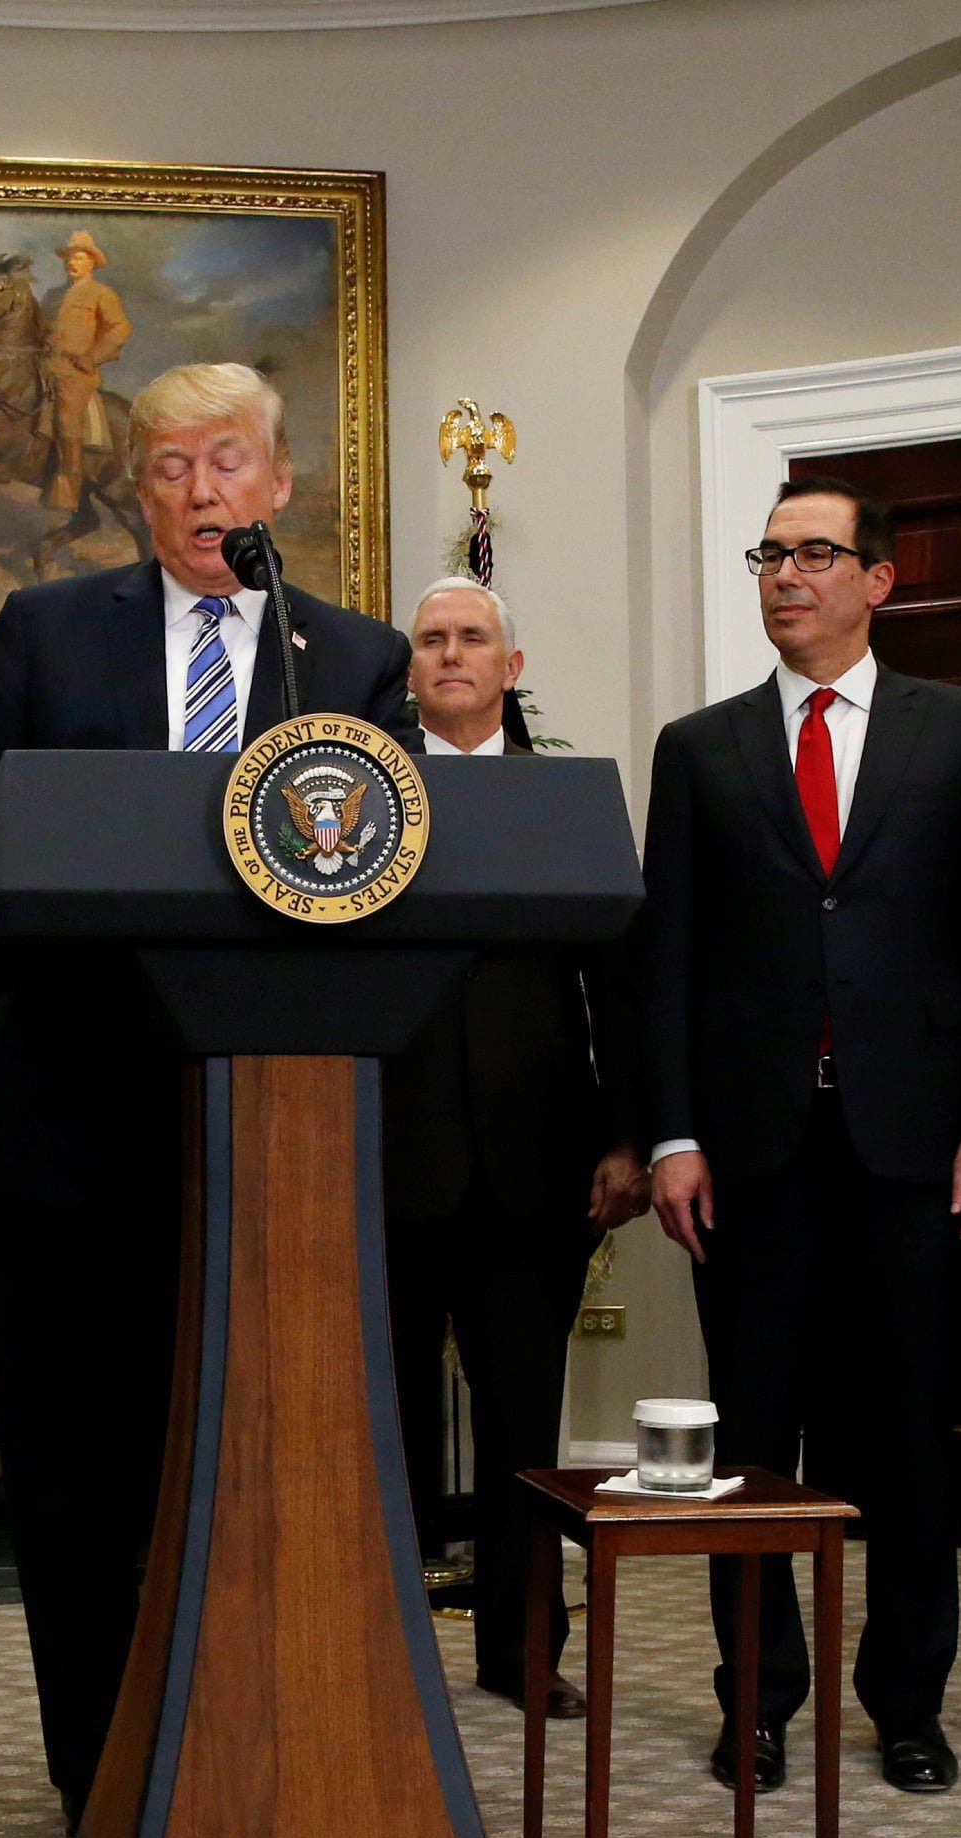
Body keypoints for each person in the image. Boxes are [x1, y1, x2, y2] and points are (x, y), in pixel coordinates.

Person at [0, 361, 412, 1825]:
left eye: (225, 463)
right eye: (166, 470)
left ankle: (270, 1749)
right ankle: (103, 1776)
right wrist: (47, 890)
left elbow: (388, 858)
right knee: (78, 1472)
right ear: (134, 493)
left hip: (281, 1125)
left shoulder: (354, 659)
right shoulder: (49, 631)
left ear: (279, 484)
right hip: (72, 1110)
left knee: (279, 1459)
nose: (200, 494)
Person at [639, 478, 961, 1795]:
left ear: (880, 578)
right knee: (751, 1448)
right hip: (749, 1155)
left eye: (816, 553)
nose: (787, 574)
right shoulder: (699, 749)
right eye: (771, 553)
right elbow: (669, 962)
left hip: (915, 1149)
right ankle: (757, 1697)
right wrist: (673, 1134)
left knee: (910, 1439)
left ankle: (907, 1701)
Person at [385, 575, 643, 1719]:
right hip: (383, 1168)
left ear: (510, 665)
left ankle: (520, 1653)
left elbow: (619, 984)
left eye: (471, 639)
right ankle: (381, 1660)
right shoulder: (357, 797)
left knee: (521, 1434)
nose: (450, 655)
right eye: (431, 640)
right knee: (377, 1427)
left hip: (535, 1169)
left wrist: (629, 1135)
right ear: (409, 672)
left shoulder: (566, 801)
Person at [41, 230, 130, 514]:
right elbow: (40, 326)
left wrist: (92, 357)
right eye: (69, 257)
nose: (71, 262)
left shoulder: (101, 294)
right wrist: (44, 337)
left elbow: (120, 329)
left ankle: (68, 486)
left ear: (91, 263)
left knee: (67, 418)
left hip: (76, 372)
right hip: (44, 364)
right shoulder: (52, 295)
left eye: (78, 257)